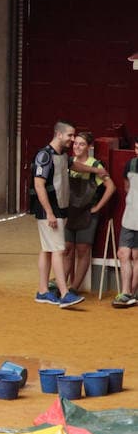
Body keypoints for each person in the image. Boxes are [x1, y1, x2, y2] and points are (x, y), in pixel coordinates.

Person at [30, 120, 104, 308]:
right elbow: (39, 185)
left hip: (59, 209)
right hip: (50, 211)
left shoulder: (61, 155)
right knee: (58, 249)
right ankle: (64, 293)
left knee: (47, 250)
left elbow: (74, 166)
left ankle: (43, 291)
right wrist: (49, 213)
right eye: (70, 135)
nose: (73, 139)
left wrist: (96, 170)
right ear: (59, 134)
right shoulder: (44, 156)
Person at [63, 131, 115, 293]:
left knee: (83, 249)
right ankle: (62, 285)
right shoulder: (69, 162)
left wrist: (97, 207)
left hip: (87, 212)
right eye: (76, 143)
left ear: (89, 147)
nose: (77, 147)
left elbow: (111, 187)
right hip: (70, 211)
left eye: (82, 144)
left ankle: (74, 288)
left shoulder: (95, 165)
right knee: (67, 248)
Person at [113, 138, 138, 308]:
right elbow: (126, 187)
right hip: (130, 216)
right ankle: (126, 292)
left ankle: (131, 293)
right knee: (123, 253)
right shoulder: (130, 164)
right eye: (137, 147)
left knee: (137, 256)